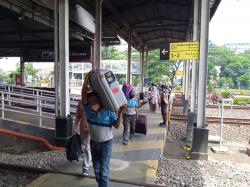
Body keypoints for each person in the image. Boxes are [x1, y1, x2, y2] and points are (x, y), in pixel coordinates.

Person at [81, 72, 124, 187]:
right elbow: (83, 94)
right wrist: (86, 79)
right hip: (94, 144)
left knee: (104, 171)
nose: (90, 101)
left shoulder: (108, 110)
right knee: (97, 171)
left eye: (93, 99)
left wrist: (120, 112)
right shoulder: (88, 110)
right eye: (89, 100)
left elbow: (116, 126)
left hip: (106, 144)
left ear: (98, 100)